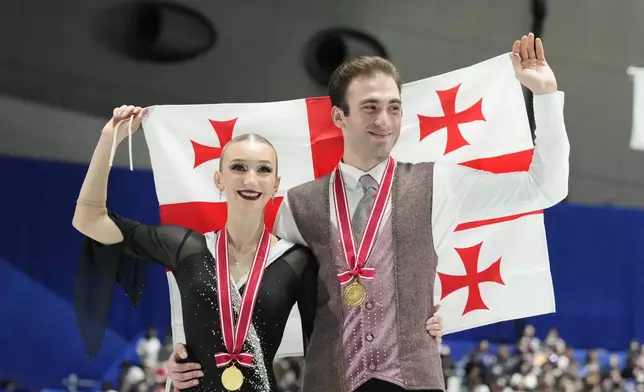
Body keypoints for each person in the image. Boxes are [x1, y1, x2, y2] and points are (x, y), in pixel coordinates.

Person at [169, 31, 568, 392]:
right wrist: (194, 357)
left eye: (394, 108)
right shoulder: (297, 204)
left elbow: (543, 188)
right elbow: (258, 297)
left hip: (415, 381)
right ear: (339, 116)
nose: (385, 120)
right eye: (370, 107)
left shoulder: (439, 184)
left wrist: (546, 95)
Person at [72, 108, 320, 391]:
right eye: (238, 167)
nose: (251, 180)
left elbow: (322, 353)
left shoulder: (297, 261)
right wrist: (109, 138)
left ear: (275, 184)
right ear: (219, 179)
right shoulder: (185, 247)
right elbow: (89, 220)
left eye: (263, 169)